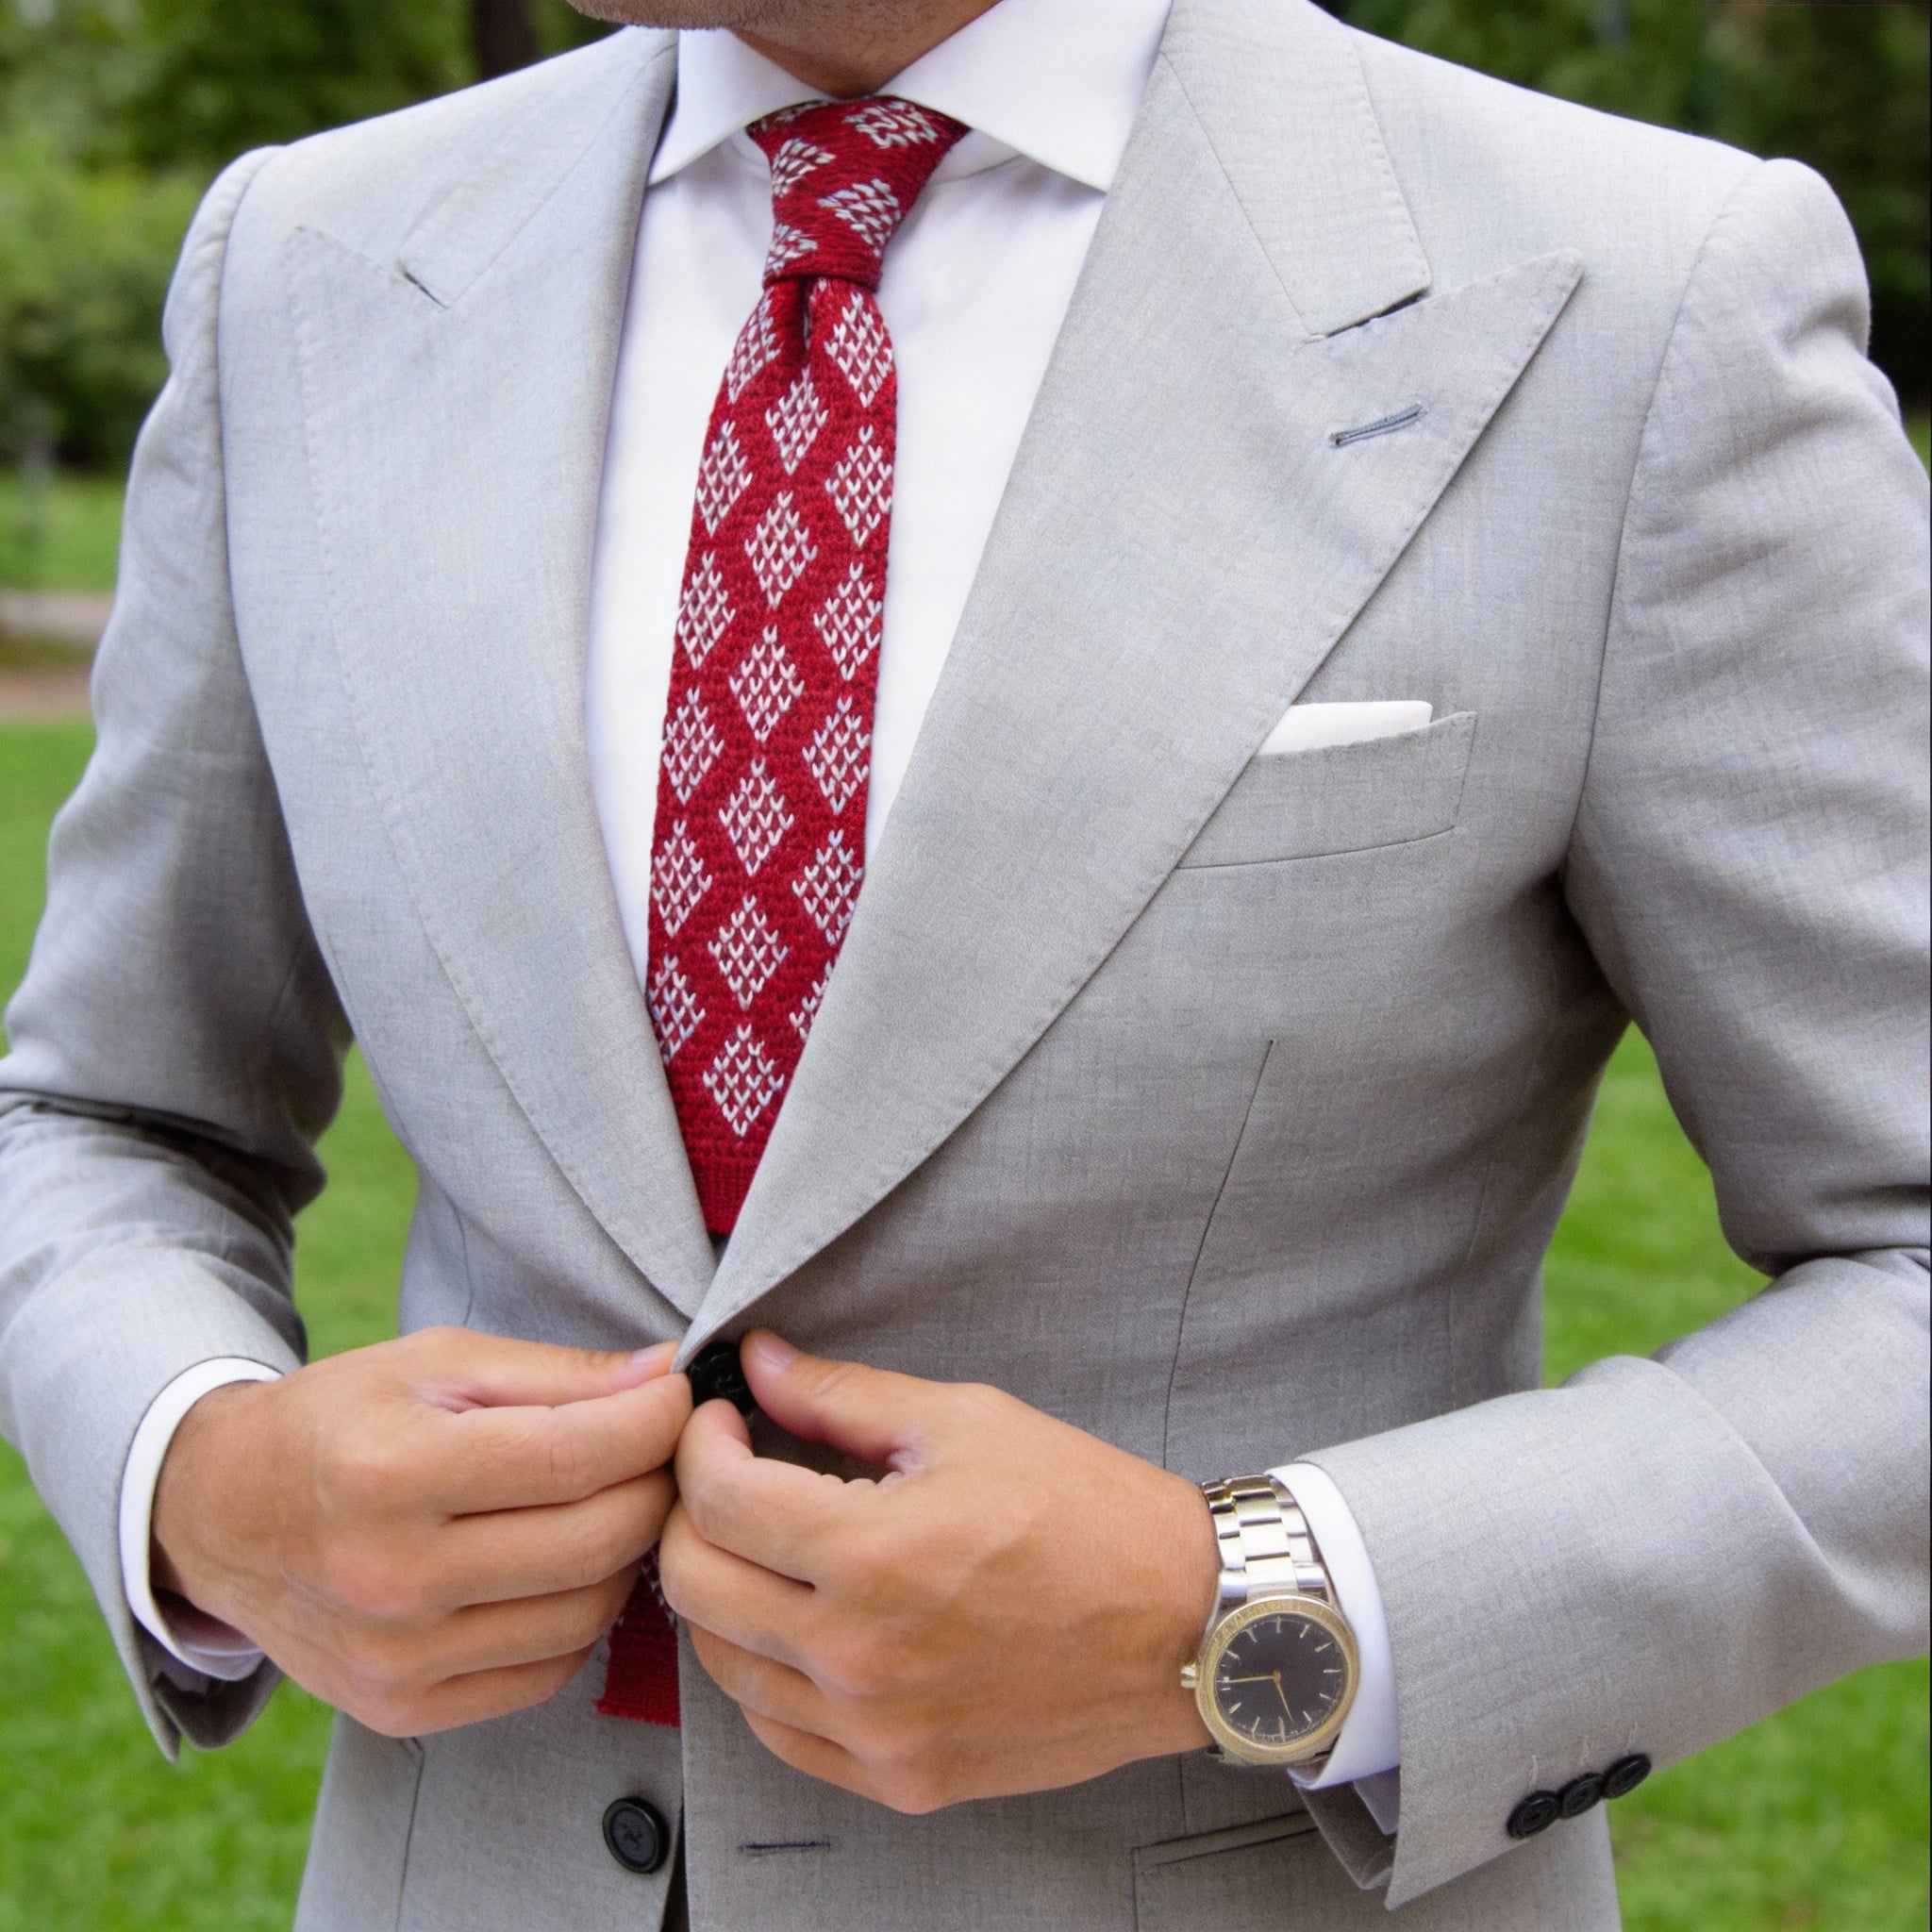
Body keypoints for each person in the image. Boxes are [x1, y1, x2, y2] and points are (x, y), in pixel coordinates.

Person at [0, 0, 1924, 1925]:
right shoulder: (308, 266)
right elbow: (99, 1108)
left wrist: (1251, 1604)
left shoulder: (1644, 292)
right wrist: (202, 1469)